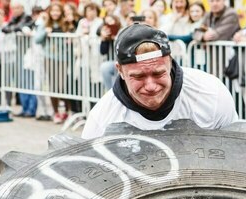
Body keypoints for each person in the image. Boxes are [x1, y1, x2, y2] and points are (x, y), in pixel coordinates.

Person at [82, 24, 238, 139]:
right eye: (138, 76)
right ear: (120, 71)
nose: (150, 86)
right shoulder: (102, 120)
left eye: (158, 73)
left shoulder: (211, 94)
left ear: (169, 61)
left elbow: (238, 151)